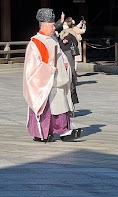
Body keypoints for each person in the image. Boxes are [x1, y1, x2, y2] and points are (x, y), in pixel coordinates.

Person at [23, 8, 81, 142]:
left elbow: (60, 56)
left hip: (58, 80)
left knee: (61, 105)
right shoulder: (35, 42)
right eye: (52, 25)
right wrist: (48, 70)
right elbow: (32, 67)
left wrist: (65, 64)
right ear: (44, 25)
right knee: (46, 108)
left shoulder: (54, 39)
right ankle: (42, 133)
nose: (54, 27)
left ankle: (64, 130)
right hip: (46, 83)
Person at [58, 18, 80, 105]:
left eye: (65, 23)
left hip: (68, 52)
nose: (64, 25)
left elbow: (75, 42)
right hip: (61, 54)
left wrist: (68, 41)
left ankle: (73, 81)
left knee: (70, 70)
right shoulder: (61, 33)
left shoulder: (71, 32)